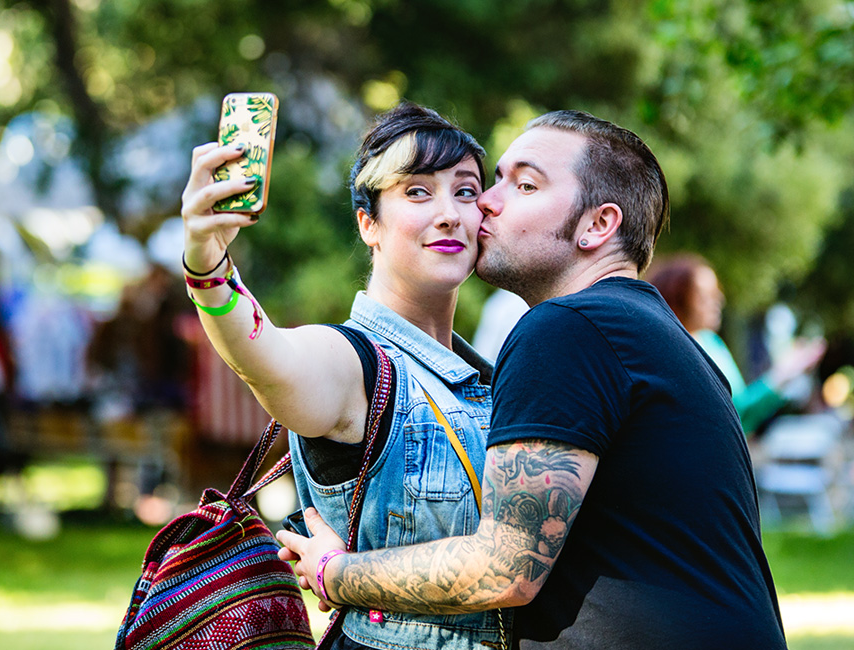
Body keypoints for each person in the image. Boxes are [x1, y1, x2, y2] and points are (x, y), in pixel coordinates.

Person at [278, 110, 788, 649]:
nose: (487, 204)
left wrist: (335, 571)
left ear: (598, 225)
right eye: (494, 181)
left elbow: (506, 566)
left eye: (524, 184)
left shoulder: (568, 329)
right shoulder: (659, 337)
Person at [179, 102, 503, 649]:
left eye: (466, 191)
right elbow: (272, 360)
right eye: (418, 192)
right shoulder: (350, 361)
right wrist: (208, 269)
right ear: (367, 223)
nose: (449, 213)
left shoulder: (490, 376)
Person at [647, 253, 825, 434]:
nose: (719, 300)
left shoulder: (712, 342)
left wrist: (784, 374)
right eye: (705, 295)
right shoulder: (670, 351)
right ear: (677, 300)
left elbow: (740, 411)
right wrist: (782, 374)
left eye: (717, 292)